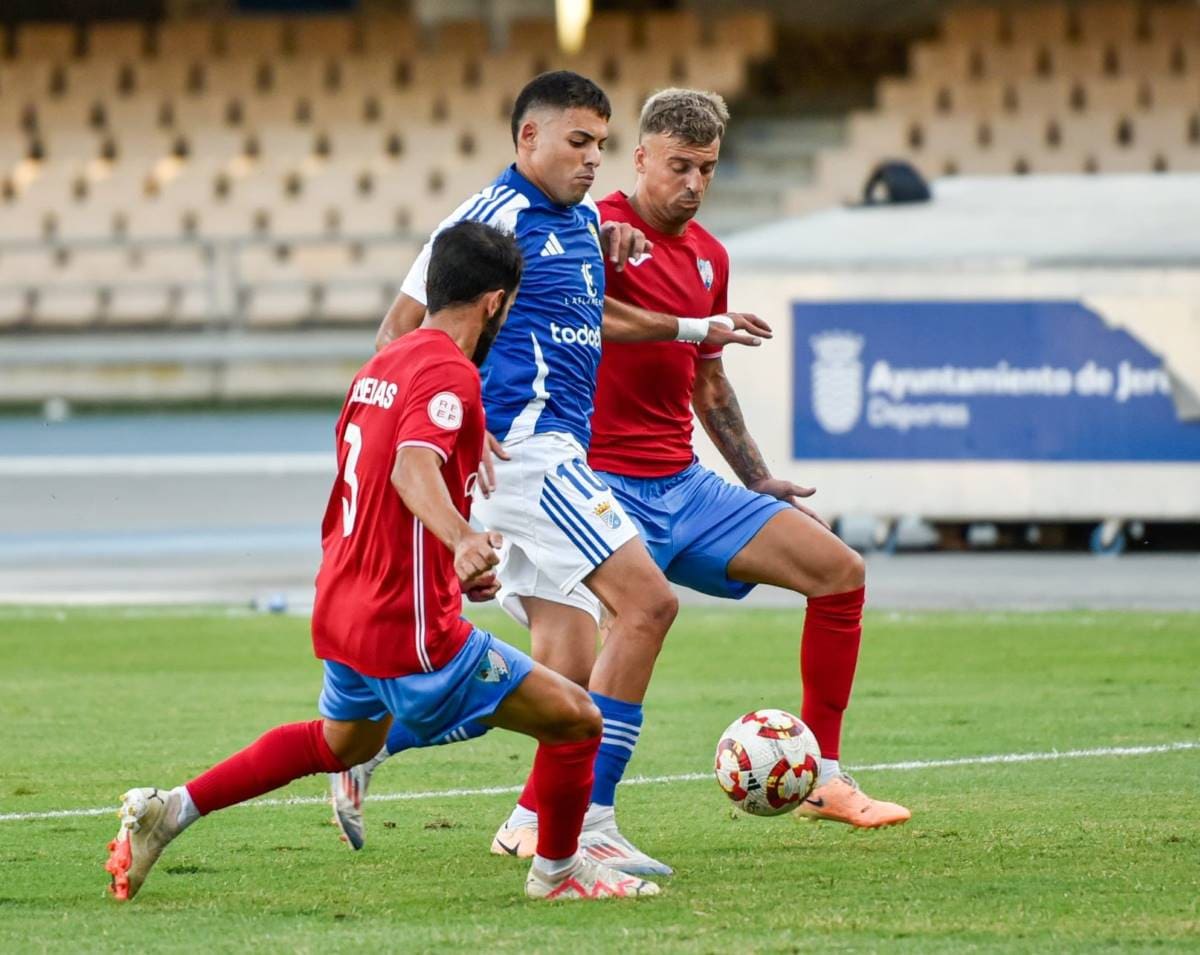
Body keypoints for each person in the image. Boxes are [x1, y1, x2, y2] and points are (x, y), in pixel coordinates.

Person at [103, 220, 659, 903]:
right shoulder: (451, 372)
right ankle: (558, 872)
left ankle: (173, 808)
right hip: (405, 623)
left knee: (341, 743)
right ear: (495, 303)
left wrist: (452, 557)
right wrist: (459, 538)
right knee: (577, 719)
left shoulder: (380, 366)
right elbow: (410, 467)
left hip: (343, 603)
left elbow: (371, 485)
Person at [329, 71, 770, 877]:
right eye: (578, 142)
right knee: (648, 602)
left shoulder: (575, 226)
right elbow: (401, 330)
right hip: (526, 453)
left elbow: (593, 316)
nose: (592, 159)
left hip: (551, 451)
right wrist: (447, 424)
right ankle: (588, 826)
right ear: (527, 138)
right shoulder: (485, 218)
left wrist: (659, 289)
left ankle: (376, 747)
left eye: (600, 145)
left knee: (563, 656)